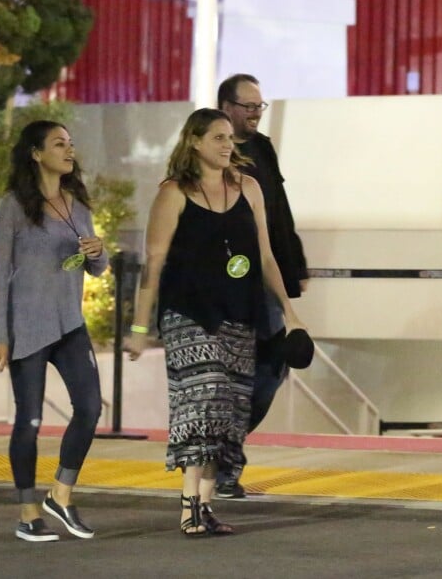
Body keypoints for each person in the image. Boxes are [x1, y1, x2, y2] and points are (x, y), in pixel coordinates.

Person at [128, 108, 304, 536]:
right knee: (203, 399)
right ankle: (188, 504)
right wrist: (137, 328)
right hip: (188, 314)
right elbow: (153, 262)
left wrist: (291, 312)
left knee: (228, 409)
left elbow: (264, 257)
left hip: (240, 313)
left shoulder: (249, 188)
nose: (228, 145)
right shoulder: (173, 193)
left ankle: (205, 506)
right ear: (195, 142)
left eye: (230, 138)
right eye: (219, 138)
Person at [0, 120, 108, 543]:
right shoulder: (13, 207)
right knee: (30, 420)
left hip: (70, 324)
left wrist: (99, 252)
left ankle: (62, 493)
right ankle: (27, 511)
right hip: (28, 327)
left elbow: (96, 266)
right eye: (59, 144)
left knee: (90, 408)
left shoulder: (79, 206)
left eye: (70, 144)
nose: (68, 150)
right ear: (36, 154)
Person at [215, 73, 310, 498]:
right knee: (232, 376)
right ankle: (222, 467)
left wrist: (295, 268)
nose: (255, 113)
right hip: (227, 286)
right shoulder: (205, 154)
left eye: (260, 106)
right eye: (248, 106)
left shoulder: (263, 150)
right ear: (226, 107)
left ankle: (222, 452)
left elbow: (279, 212)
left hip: (267, 280)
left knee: (273, 370)